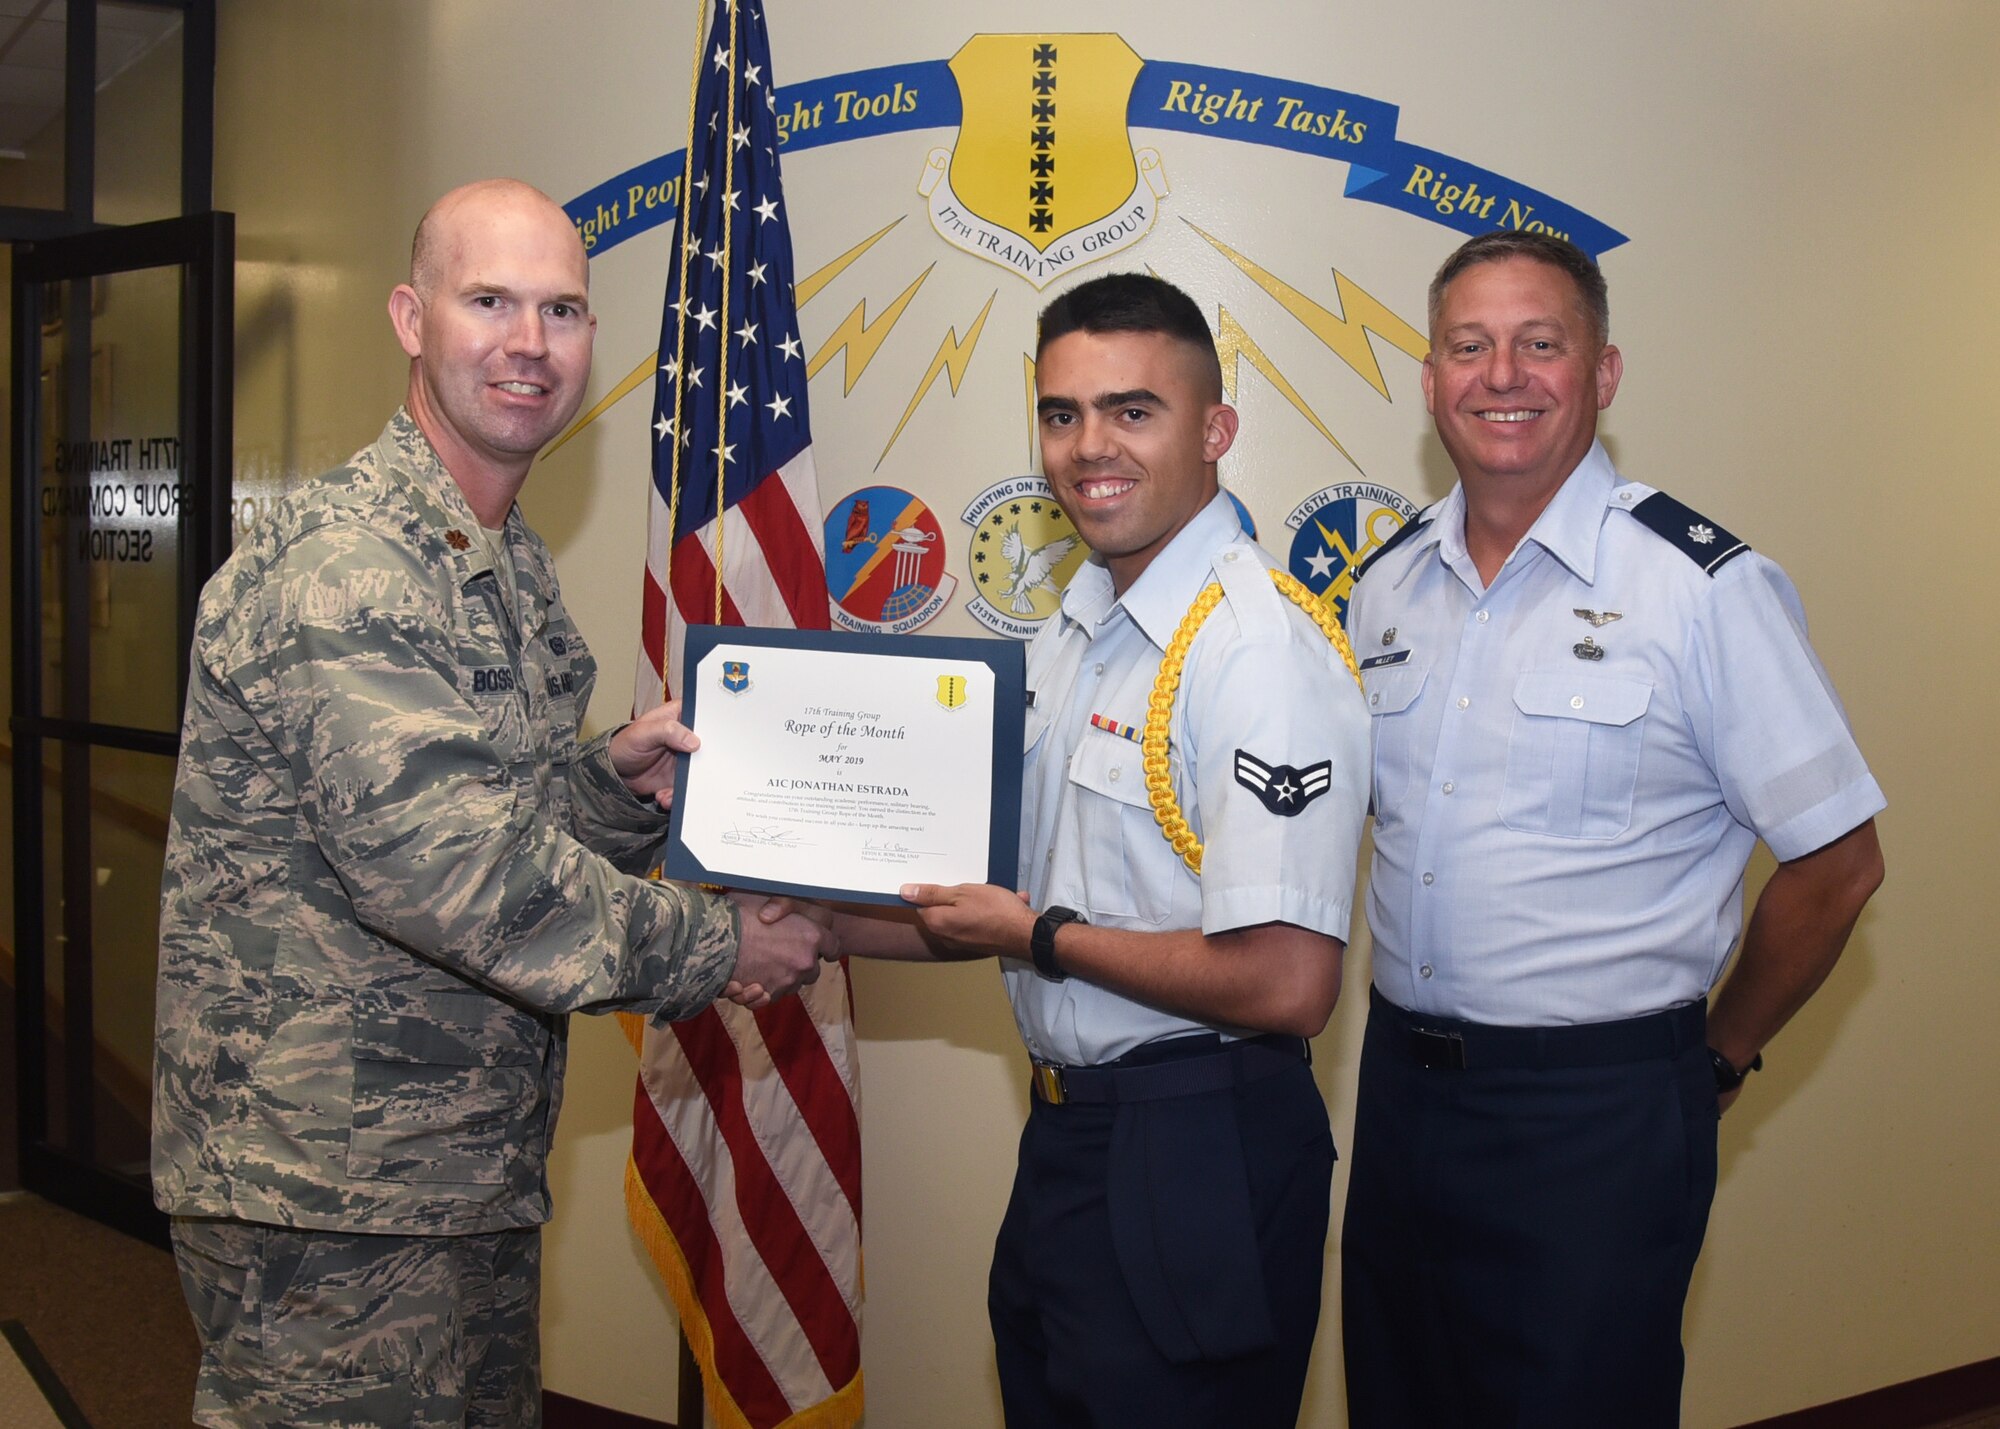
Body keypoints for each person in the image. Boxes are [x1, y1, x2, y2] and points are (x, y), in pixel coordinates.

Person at [152, 179, 833, 1428]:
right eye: (490, 302)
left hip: (450, 1169)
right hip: (328, 1198)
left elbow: (480, 817)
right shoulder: (349, 569)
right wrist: (726, 944)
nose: (530, 342)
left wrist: (605, 783)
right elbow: (457, 879)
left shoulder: (498, 557)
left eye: (562, 309)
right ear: (412, 319)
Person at [1341, 230, 1886, 1427]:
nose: (1502, 375)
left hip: (1593, 1116)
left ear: (1602, 373)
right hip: (1400, 1096)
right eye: (1468, 346)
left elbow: (1838, 863)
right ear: (1427, 378)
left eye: (1541, 343)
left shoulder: (1698, 586)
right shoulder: (1381, 587)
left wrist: (1712, 1059)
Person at [829, 272, 1371, 1426]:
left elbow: (1287, 982)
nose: (1088, 447)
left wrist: (1036, 936)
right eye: (1061, 413)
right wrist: (799, 922)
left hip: (1196, 1142)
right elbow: (1005, 903)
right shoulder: (1085, 629)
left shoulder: (1250, 651)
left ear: (1214, 430)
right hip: (1074, 1135)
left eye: (1133, 410)